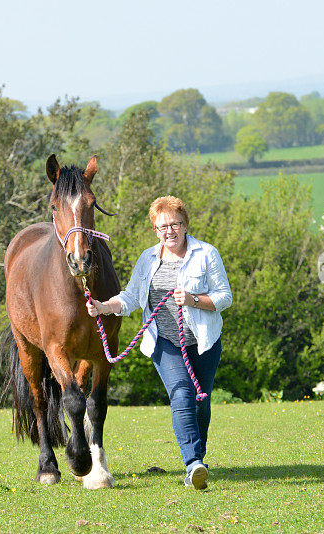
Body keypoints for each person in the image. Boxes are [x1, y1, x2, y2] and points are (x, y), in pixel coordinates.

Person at [86, 196, 232, 490]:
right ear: (155, 230)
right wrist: (104, 307)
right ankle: (193, 465)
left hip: (203, 342)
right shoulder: (148, 259)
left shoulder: (206, 254)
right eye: (162, 226)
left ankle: (197, 457)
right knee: (181, 395)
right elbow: (130, 297)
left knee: (200, 402)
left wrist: (193, 300)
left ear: (185, 225)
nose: (170, 231)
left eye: (175, 224)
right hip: (164, 342)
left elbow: (224, 296)